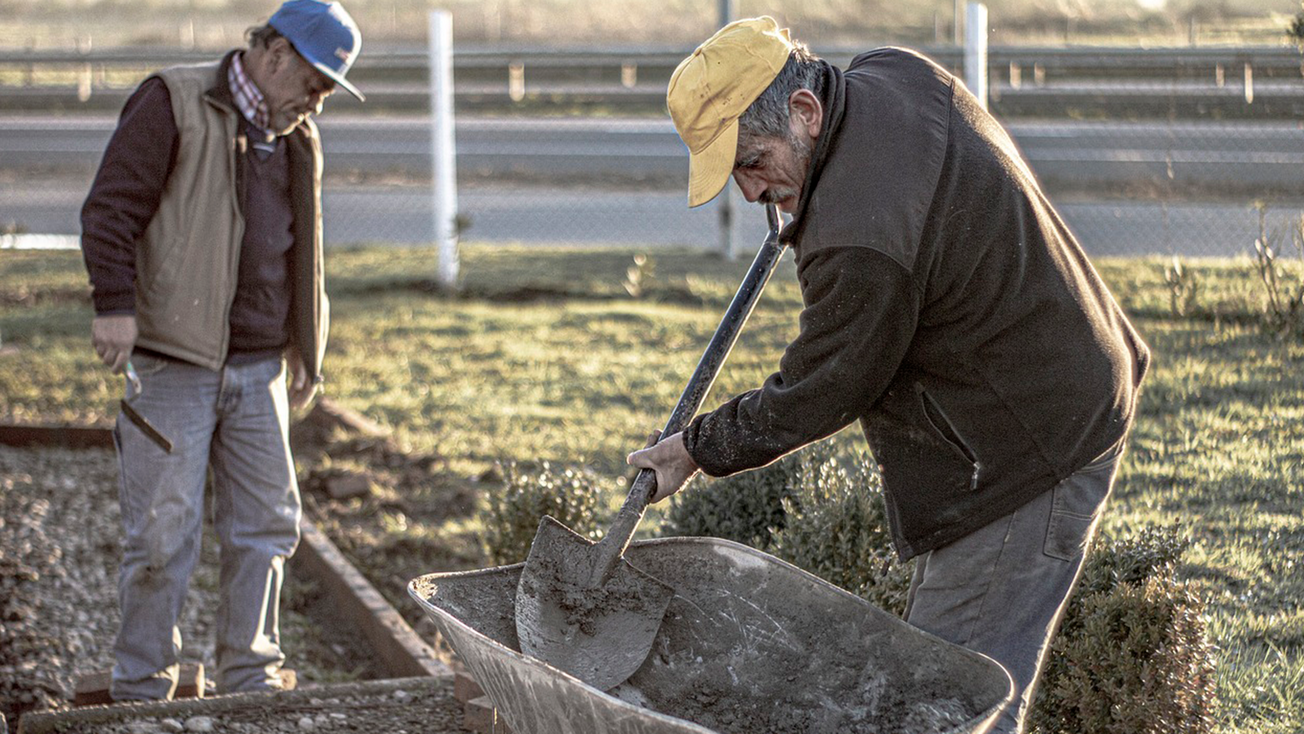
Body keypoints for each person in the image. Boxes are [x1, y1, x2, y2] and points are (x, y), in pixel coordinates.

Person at [627, 17, 1150, 734]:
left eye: (752, 161)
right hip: (1053, 384)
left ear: (806, 113)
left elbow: (822, 387)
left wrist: (694, 448)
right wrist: (801, 198)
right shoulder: (890, 74)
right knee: (946, 678)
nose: (749, 192)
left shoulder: (859, 236)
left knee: (951, 703)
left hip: (1022, 451)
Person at [79, 0, 364, 701]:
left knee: (266, 527)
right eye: (317, 82)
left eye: (329, 90)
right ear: (275, 54)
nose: (319, 101)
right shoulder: (170, 101)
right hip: (176, 361)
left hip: (261, 366)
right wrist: (114, 306)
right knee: (160, 537)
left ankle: (251, 679)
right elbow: (109, 212)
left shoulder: (296, 135)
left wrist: (306, 345)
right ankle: (142, 687)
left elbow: (302, 251)